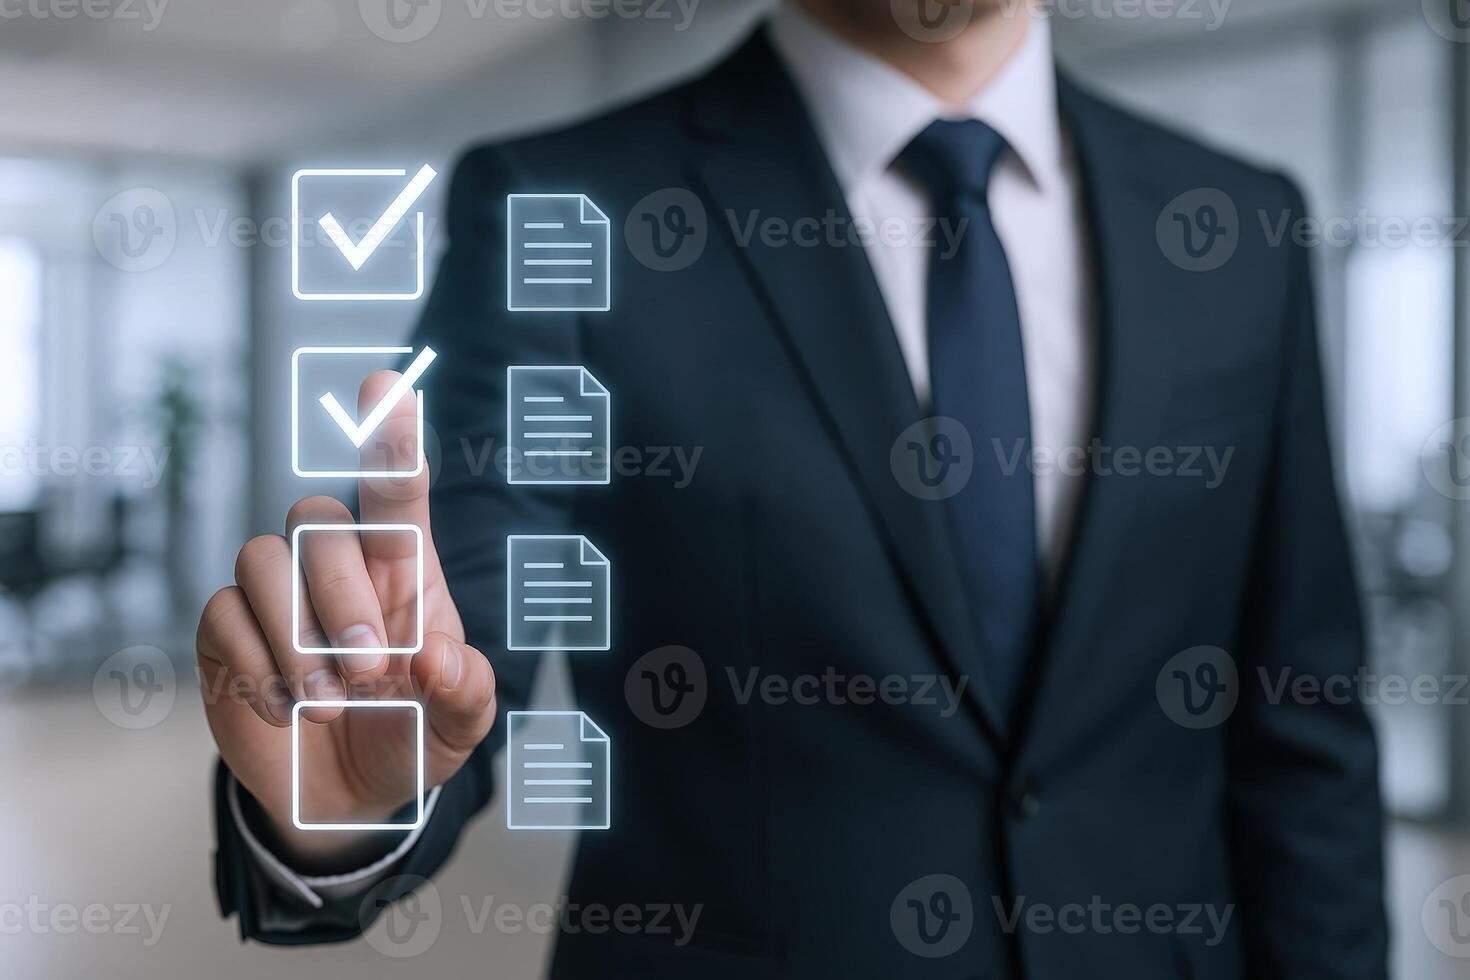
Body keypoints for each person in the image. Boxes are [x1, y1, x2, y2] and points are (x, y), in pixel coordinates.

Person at [199, 1, 1389, 975]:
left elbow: (1302, 725)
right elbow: (449, 640)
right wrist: (347, 806)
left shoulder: (1239, 225)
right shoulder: (559, 208)